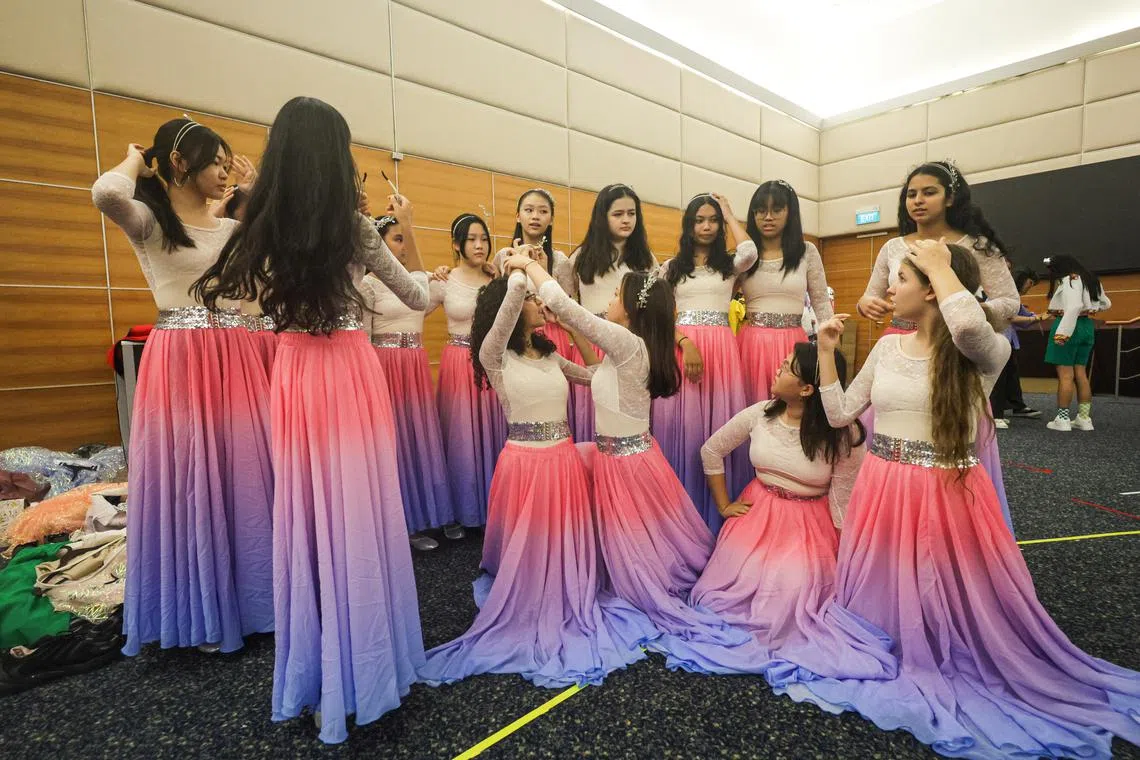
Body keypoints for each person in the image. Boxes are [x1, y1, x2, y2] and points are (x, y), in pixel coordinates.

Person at [784, 239, 1140, 759]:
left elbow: (969, 325)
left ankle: (939, 644)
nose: (889, 288)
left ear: (931, 288)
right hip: (883, 486)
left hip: (943, 492)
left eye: (902, 279)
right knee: (889, 578)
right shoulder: (886, 347)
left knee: (938, 581)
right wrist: (827, 352)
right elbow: (839, 414)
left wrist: (938, 263)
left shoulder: (985, 348)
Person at [194, 96, 428, 744]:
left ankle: (321, 681)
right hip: (351, 374)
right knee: (359, 517)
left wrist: (238, 199)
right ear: (336, 157)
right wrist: (406, 230)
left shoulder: (256, 230)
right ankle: (371, 671)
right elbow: (419, 298)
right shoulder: (355, 230)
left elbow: (232, 299)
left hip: (293, 375)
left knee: (309, 518)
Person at [512, 254, 758, 673]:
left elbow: (562, 299)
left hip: (625, 465)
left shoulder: (627, 343)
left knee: (638, 545)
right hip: (622, 459)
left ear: (630, 306)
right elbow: (595, 376)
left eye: (615, 294)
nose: (608, 299)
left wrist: (525, 263)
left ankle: (646, 584)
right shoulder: (628, 348)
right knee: (635, 540)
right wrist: (565, 337)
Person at [418, 263, 655, 687]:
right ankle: (530, 597)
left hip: (562, 459)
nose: (536, 304)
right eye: (530, 301)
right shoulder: (494, 355)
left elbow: (592, 377)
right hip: (525, 463)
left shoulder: (549, 353)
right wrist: (520, 272)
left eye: (531, 297)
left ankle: (566, 590)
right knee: (532, 543)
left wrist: (630, 374)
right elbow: (508, 306)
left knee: (562, 541)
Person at [93, 119, 274, 657]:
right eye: (215, 161)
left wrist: (252, 184)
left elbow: (278, 232)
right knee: (191, 477)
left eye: (226, 162)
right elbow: (106, 192)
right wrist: (133, 158)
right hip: (181, 362)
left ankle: (252, 601)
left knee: (243, 476)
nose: (223, 171)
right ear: (179, 163)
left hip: (236, 357)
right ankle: (201, 608)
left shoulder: (236, 231)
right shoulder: (150, 220)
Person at [855, 161, 1017, 534]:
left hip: (954, 353)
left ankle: (951, 536)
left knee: (944, 447)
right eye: (911, 194)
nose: (918, 200)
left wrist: (970, 310)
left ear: (951, 196)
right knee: (886, 448)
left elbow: (1010, 303)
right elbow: (870, 295)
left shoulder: (977, 246)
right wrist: (869, 304)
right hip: (897, 349)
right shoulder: (893, 246)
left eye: (929, 192)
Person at [691, 343, 865, 672]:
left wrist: (846, 561)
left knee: (788, 605)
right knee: (723, 598)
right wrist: (724, 504)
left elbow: (844, 501)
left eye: (786, 368)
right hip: (755, 517)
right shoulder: (760, 412)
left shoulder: (844, 435)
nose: (776, 369)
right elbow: (711, 451)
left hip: (808, 529)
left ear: (807, 388)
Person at [652, 193, 757, 532]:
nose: (707, 225)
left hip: (722, 353)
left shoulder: (729, 264)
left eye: (713, 219)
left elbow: (750, 251)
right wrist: (684, 341)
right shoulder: (671, 268)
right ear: (689, 224)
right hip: (683, 350)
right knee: (684, 427)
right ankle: (681, 519)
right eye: (700, 219)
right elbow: (656, 314)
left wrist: (729, 213)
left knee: (718, 426)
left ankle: (720, 515)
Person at [359, 215, 456, 550]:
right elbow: (364, 337)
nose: (403, 246)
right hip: (384, 368)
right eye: (397, 239)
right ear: (377, 243)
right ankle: (402, 526)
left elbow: (452, 291)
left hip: (414, 366)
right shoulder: (368, 284)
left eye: (405, 239)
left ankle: (430, 514)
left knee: (419, 440)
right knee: (394, 444)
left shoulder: (418, 281)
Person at [561, 184, 658, 442]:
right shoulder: (581, 258)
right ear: (602, 216)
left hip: (631, 350)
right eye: (618, 214)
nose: (627, 220)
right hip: (588, 346)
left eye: (632, 213)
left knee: (625, 426)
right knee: (589, 418)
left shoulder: (646, 260)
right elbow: (569, 304)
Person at [430, 214, 507, 531]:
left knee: (493, 432)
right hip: (457, 362)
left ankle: (496, 507)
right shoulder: (443, 281)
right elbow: (411, 305)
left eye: (484, 239)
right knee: (461, 435)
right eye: (472, 239)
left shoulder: (496, 279)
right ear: (456, 245)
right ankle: (462, 511)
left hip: (490, 363)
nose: (479, 245)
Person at [736, 181, 833, 403]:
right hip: (751, 346)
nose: (768, 217)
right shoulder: (745, 256)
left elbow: (821, 303)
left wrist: (830, 346)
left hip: (792, 344)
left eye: (776, 210)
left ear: (791, 212)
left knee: (792, 411)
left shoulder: (807, 251)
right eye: (761, 211)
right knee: (749, 408)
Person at [1043, 255, 1112, 431]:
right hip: (1086, 326)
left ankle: (1063, 419)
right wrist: (1091, 308)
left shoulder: (1070, 279)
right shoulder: (1091, 278)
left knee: (1066, 375)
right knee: (1080, 372)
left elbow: (1073, 307)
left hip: (1068, 325)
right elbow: (1106, 303)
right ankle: (1083, 418)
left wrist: (1063, 333)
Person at [991, 266, 1046, 427]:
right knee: (999, 379)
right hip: (997, 340)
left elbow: (1024, 318)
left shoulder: (1015, 298)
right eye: (1029, 283)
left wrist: (1039, 317)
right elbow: (1009, 317)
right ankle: (995, 414)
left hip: (1008, 341)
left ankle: (1014, 406)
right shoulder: (1000, 294)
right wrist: (1034, 319)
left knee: (1010, 376)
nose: (1030, 287)